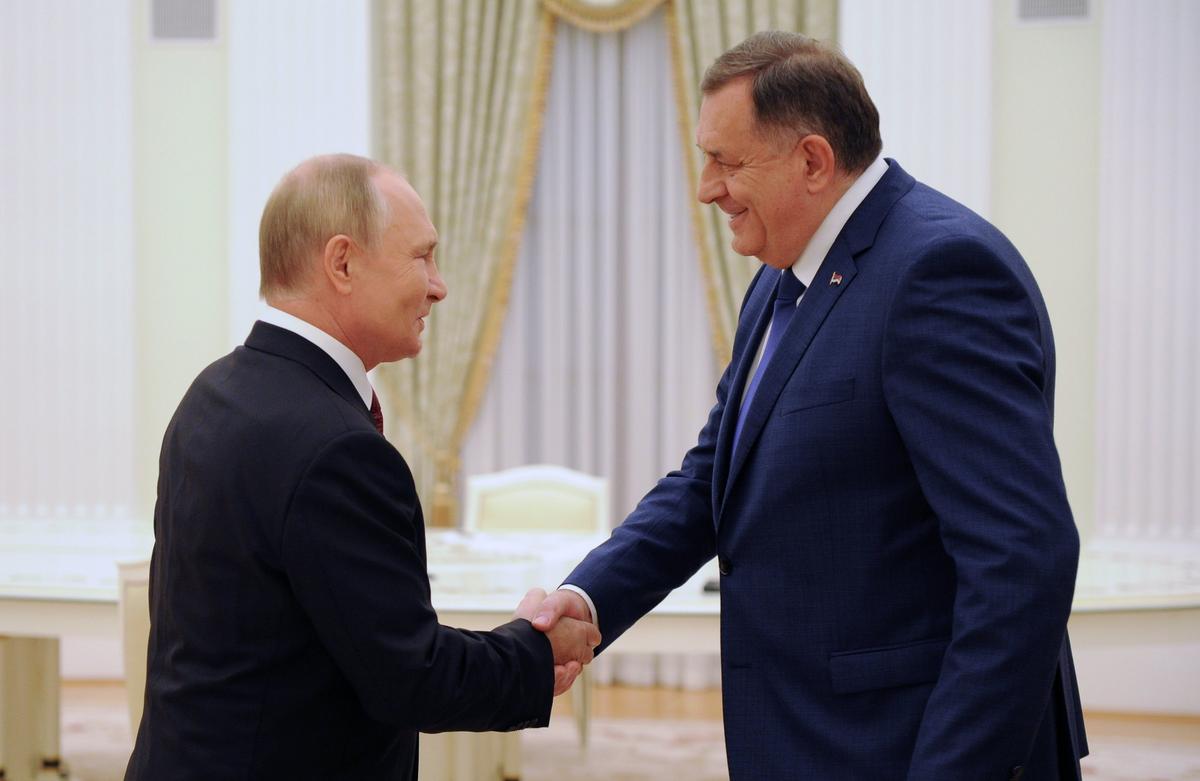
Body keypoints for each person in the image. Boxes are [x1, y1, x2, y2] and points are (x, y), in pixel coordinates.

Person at [533, 32, 1087, 780]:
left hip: (907, 746)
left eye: (725, 161)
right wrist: (588, 597)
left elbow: (1021, 561)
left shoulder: (939, 272)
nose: (704, 187)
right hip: (811, 737)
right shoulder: (778, 278)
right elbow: (712, 481)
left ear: (814, 161)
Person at [125, 154, 599, 780]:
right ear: (342, 263)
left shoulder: (214, 392)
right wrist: (538, 654)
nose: (440, 285)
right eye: (422, 257)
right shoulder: (334, 446)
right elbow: (411, 676)